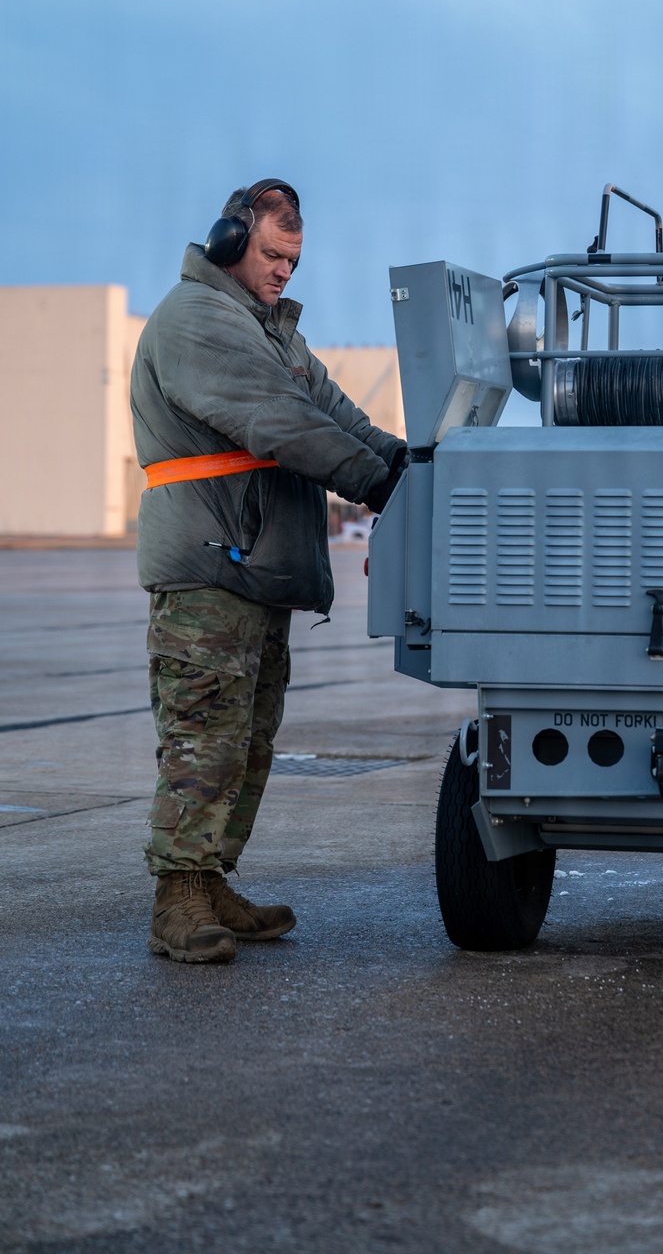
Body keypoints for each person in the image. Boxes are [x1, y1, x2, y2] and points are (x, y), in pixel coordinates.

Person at [130, 179, 406, 964]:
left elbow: (338, 414)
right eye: (273, 254)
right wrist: (374, 483)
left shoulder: (273, 332)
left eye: (293, 259)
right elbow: (281, 421)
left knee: (248, 742)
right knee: (203, 738)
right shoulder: (199, 320)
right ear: (228, 240)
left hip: (255, 571)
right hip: (209, 567)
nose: (285, 271)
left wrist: (412, 463)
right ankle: (176, 900)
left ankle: (211, 883)